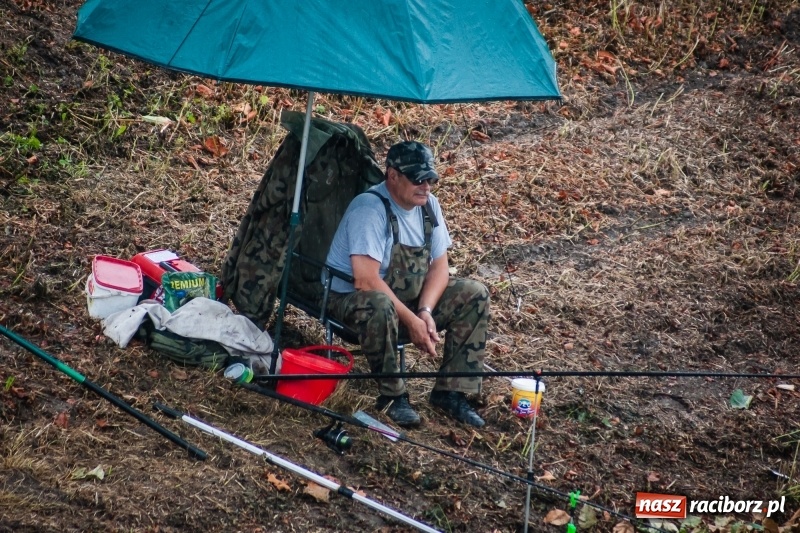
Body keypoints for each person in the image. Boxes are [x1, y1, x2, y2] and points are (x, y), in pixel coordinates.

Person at [324, 140, 490, 428]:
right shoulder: (370, 209)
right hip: (351, 299)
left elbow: (440, 268)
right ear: (392, 176)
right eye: (417, 179)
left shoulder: (429, 207)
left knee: (474, 293)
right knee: (380, 304)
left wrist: (424, 311)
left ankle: (451, 392)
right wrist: (412, 321)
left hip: (405, 299)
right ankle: (393, 396)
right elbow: (366, 280)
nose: (426, 186)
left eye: (431, 179)